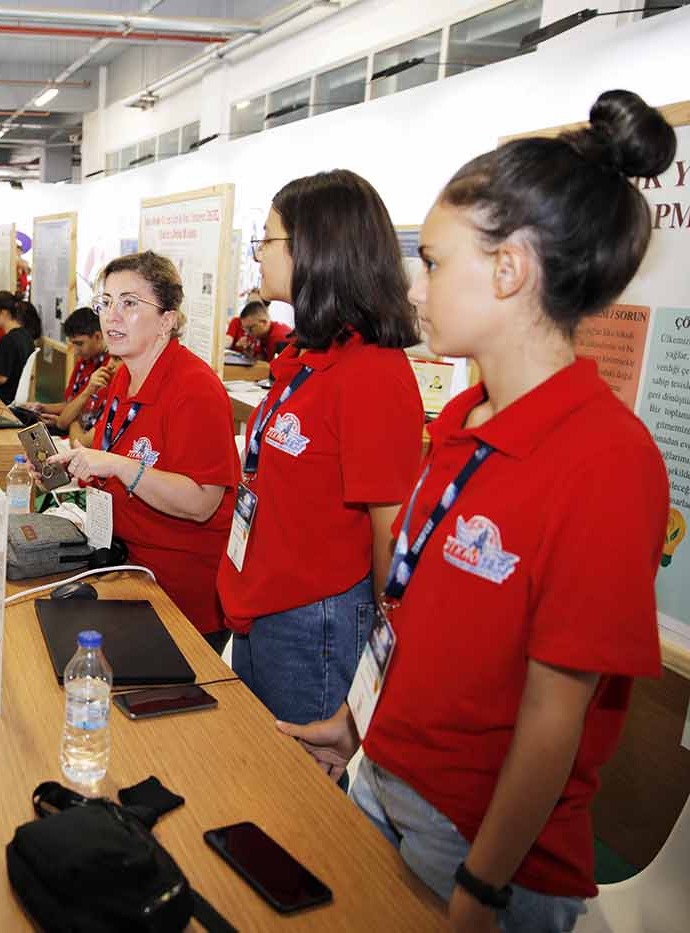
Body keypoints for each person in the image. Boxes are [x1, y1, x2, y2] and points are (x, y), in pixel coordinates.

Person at [280, 90, 675, 933]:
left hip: (483, 847)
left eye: (431, 261)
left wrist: (485, 886)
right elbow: (416, 612)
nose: (414, 286)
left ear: (509, 270)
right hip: (383, 781)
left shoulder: (607, 461)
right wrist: (353, 726)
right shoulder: (463, 419)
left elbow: (554, 712)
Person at [215, 169, 424, 729]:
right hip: (263, 604)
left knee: (298, 779)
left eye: (268, 239)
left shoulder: (372, 373)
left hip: (316, 623)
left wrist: (380, 660)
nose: (259, 254)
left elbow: (390, 531)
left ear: (316, 247)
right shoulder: (307, 358)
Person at [43, 252, 239, 643]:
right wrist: (71, 467)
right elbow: (109, 456)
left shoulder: (195, 389)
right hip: (124, 568)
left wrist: (117, 465)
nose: (111, 316)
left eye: (129, 303)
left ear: (167, 320)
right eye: (106, 302)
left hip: (180, 596)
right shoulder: (123, 376)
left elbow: (202, 502)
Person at [24, 306, 115, 443]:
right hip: (74, 429)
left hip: (80, 435)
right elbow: (70, 404)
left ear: (98, 336)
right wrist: (42, 407)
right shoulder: (84, 361)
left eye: (80, 344)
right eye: (73, 344)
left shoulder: (109, 368)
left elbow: (68, 420)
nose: (76, 351)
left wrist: (68, 419)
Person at [226, 299, 292, 361]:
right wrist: (248, 352)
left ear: (264, 322)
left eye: (250, 328)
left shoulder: (280, 338)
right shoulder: (262, 334)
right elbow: (261, 359)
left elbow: (281, 366)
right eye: (245, 329)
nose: (248, 333)